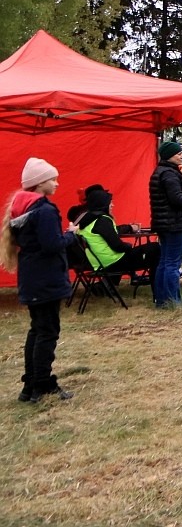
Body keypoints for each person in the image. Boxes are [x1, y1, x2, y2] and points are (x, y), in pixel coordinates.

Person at [2, 158, 78, 402]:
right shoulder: (44, 210)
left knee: (37, 330)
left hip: (33, 278)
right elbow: (52, 245)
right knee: (47, 332)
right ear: (39, 184)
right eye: (52, 179)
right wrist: (70, 235)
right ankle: (41, 384)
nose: (57, 183)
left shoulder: (22, 209)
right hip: (46, 279)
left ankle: (30, 385)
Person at [76, 185, 161, 297]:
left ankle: (153, 284)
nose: (112, 205)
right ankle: (158, 290)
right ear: (103, 204)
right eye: (110, 202)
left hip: (100, 262)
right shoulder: (103, 220)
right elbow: (117, 246)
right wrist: (129, 246)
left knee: (151, 249)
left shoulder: (86, 221)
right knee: (155, 249)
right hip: (113, 262)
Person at [149, 141, 182, 309]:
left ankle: (162, 300)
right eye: (178, 153)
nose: (181, 156)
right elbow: (177, 200)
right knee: (172, 264)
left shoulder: (161, 172)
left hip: (165, 223)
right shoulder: (169, 175)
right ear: (169, 156)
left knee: (164, 263)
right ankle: (174, 301)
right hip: (174, 223)